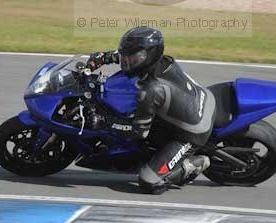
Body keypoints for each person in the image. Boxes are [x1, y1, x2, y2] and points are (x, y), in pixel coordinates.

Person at [87, 27, 216, 195]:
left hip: (193, 131)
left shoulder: (151, 90)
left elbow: (138, 132)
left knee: (149, 181)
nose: (127, 61)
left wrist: (103, 121)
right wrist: (104, 58)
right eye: (126, 55)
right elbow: (132, 56)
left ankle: (194, 163)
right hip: (198, 100)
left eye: (132, 57)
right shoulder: (162, 61)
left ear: (149, 55)